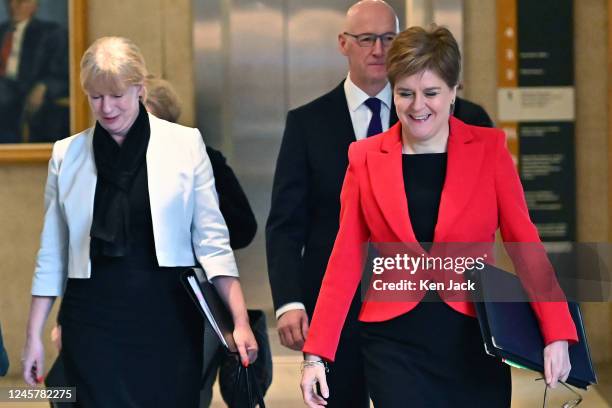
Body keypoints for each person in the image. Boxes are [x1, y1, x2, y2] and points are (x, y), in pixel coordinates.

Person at [300, 25, 578, 408]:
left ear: (453, 92)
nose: (418, 107)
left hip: (476, 337)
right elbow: (345, 259)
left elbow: (524, 245)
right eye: (405, 93)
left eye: (431, 93)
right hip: (393, 343)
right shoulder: (364, 157)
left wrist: (556, 331)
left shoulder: (489, 150)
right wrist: (317, 354)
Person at [22, 37, 257, 407]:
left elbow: (213, 243)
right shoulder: (67, 155)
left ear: (139, 89)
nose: (106, 107)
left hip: (168, 315)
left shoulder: (184, 145)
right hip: (92, 317)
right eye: (95, 97)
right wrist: (34, 334)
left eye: (117, 95)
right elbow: (52, 251)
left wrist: (239, 321)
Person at [266, 1, 399, 406]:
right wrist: (289, 301)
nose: (378, 49)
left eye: (389, 39)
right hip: (333, 305)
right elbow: (285, 224)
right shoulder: (308, 123)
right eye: (366, 39)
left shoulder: (422, 115)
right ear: (344, 44)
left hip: (408, 300)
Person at [143, 76, 259, 407]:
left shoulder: (201, 158)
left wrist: (193, 229)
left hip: (192, 293)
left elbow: (243, 227)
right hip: (136, 300)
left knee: (188, 389)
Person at [0, 0, 69, 143]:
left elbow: (63, 73)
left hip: (26, 89)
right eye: (10, 1)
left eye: (20, 1)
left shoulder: (50, 33)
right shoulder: (2, 31)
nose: (14, 6)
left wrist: (44, 86)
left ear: (34, 6)